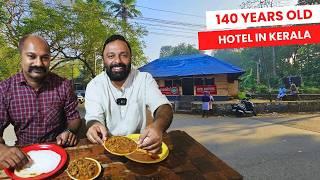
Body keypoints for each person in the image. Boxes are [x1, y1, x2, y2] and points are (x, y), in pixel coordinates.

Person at [0, 35, 81, 170]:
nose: (38, 63)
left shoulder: (63, 85)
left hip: (60, 152)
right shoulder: (4, 89)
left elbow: (75, 119)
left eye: (44, 58)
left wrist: (69, 131)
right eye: (31, 56)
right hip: (24, 157)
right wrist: (2, 150)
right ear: (21, 57)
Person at [85, 34, 173, 154]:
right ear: (104, 60)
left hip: (141, 146)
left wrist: (158, 126)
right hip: (107, 147)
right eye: (111, 56)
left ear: (130, 57)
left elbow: (163, 106)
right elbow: (93, 117)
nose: (117, 61)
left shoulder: (144, 79)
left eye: (124, 55)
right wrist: (94, 125)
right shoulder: (94, 85)